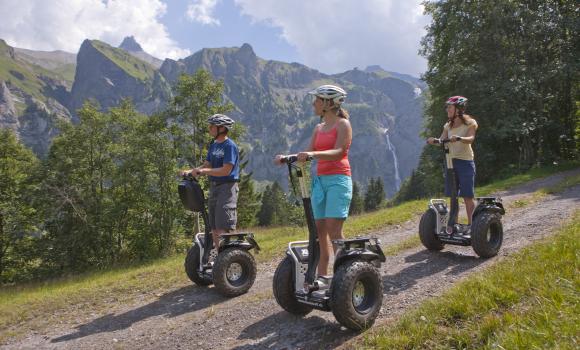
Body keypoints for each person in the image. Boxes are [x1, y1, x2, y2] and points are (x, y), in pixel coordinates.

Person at [279, 84, 353, 277]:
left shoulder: (342, 124)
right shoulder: (318, 128)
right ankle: (321, 277)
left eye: (317, 100)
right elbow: (308, 152)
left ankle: (345, 276)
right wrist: (288, 157)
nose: (313, 103)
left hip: (338, 180)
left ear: (328, 103)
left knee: (333, 229)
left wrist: (312, 154)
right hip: (319, 181)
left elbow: (339, 152)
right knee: (318, 232)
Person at [182, 114, 240, 250]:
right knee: (213, 226)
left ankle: (227, 257)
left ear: (221, 128)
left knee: (222, 225)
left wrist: (204, 171)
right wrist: (192, 171)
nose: (209, 128)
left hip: (227, 187)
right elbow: (207, 164)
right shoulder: (214, 145)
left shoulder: (229, 146)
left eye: (212, 126)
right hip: (214, 186)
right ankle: (220, 256)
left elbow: (226, 170)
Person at [427, 96, 478, 230]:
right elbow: (442, 140)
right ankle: (453, 225)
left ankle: (473, 226)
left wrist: (460, 138)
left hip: (465, 162)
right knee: (453, 195)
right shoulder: (447, 125)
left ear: (459, 109)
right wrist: (435, 141)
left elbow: (471, 138)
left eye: (450, 107)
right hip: (450, 162)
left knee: (467, 195)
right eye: (447, 107)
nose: (447, 109)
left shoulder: (470, 123)